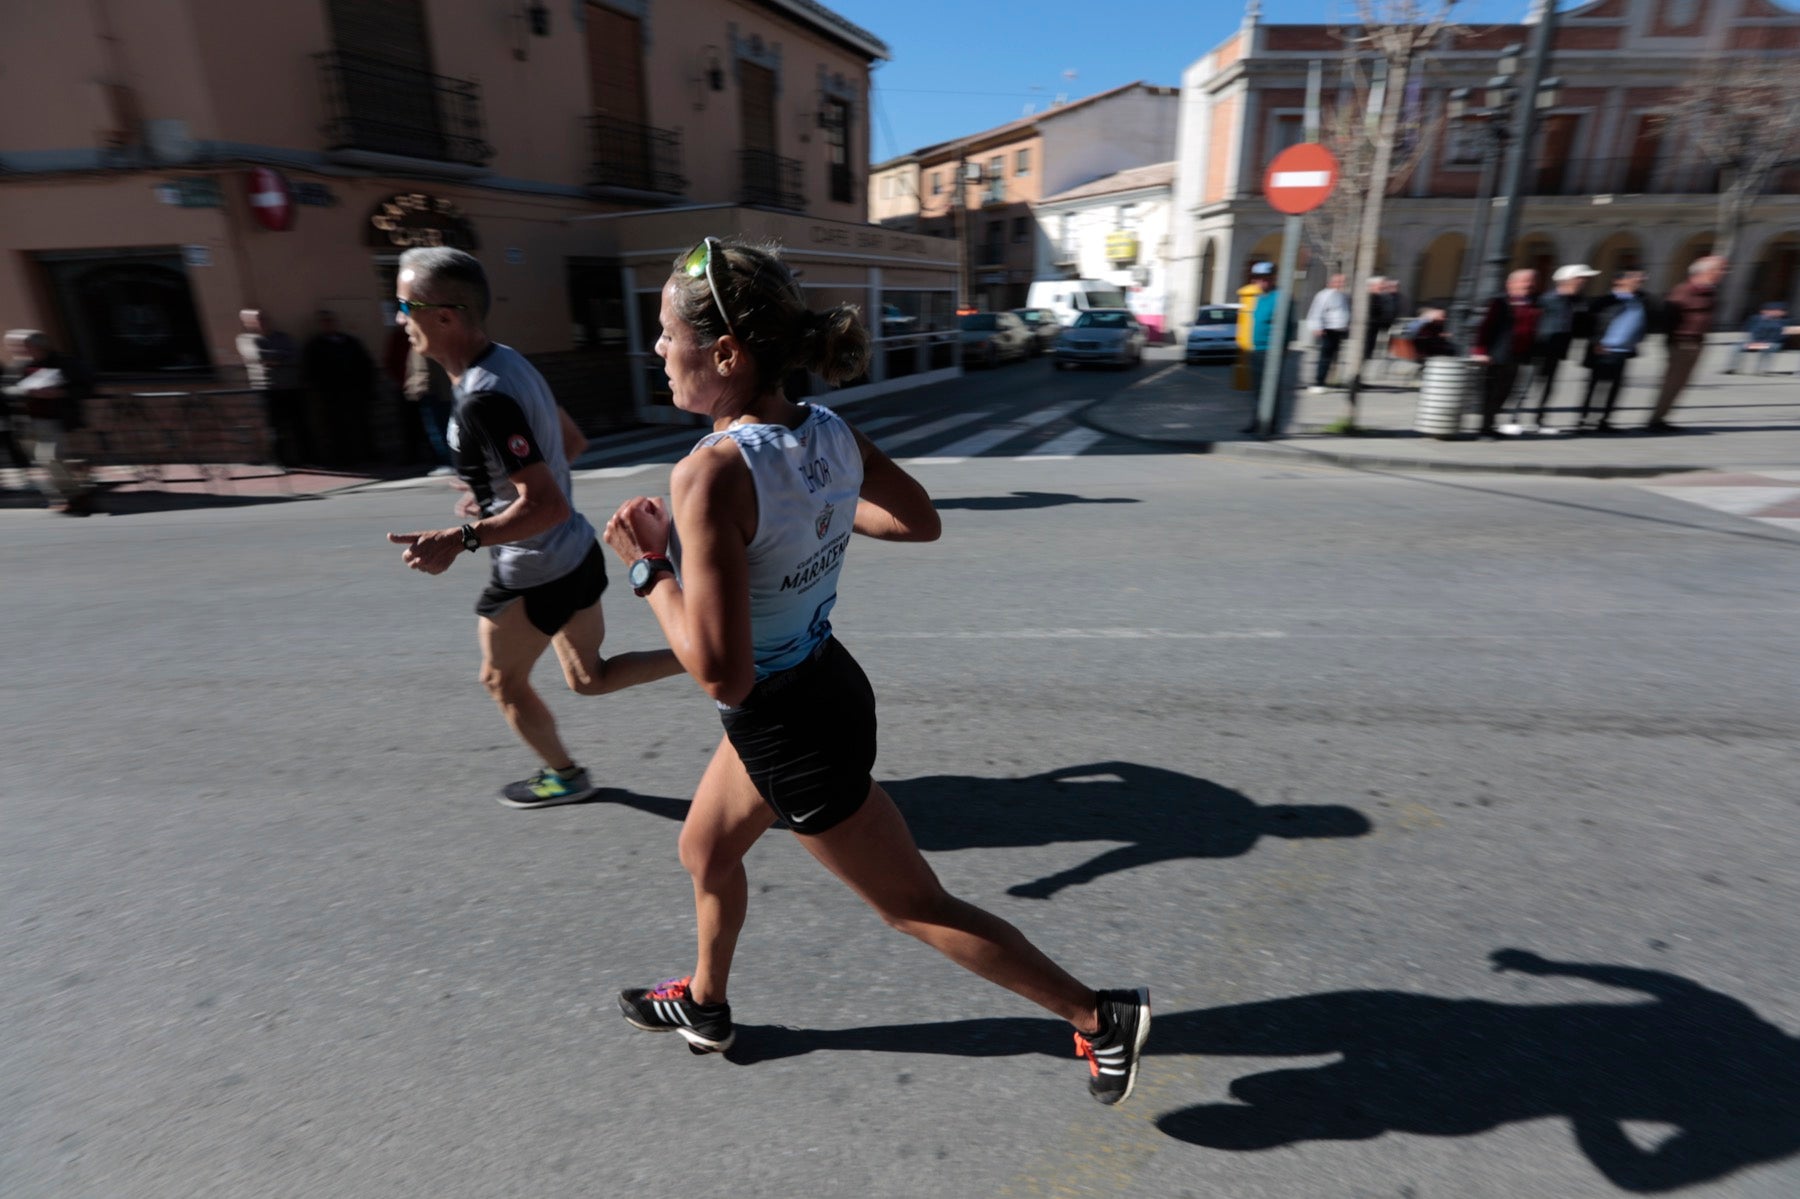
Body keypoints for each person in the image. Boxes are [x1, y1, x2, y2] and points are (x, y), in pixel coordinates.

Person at [601, 235, 1150, 1105]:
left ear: (726, 352)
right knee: (704, 848)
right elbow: (917, 518)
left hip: (787, 724)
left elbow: (722, 675)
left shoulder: (708, 475)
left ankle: (1096, 1015)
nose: (658, 350)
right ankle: (707, 1004)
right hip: (821, 682)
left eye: (669, 335)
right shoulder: (825, 429)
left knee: (914, 904)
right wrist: (809, 510)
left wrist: (647, 568)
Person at [382, 246, 682, 808]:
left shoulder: (482, 398)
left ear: (444, 315)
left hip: (534, 570)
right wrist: (489, 492)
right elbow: (568, 444)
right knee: (588, 677)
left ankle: (565, 776)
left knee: (501, 680)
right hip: (576, 557)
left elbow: (546, 506)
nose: (399, 318)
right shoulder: (509, 362)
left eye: (405, 304)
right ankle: (716, 654)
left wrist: (458, 540)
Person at [3, 329, 97, 514]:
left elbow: (86, 387)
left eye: (23, 346)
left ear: (37, 346)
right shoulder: (20, 366)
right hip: (26, 422)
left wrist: (59, 393)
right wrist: (24, 392)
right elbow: (7, 389)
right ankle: (71, 496)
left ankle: (74, 497)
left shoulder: (64, 363)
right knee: (46, 462)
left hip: (53, 419)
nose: (18, 350)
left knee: (52, 458)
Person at [1648, 255, 1727, 434]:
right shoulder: (1684, 290)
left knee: (1681, 383)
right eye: (1720, 269)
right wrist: (1672, 341)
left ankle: (1662, 418)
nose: (1723, 273)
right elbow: (1669, 316)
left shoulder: (1710, 291)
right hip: (1682, 343)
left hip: (1697, 342)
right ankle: (1655, 421)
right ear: (1706, 271)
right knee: (1672, 383)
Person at [1517, 264, 1599, 434]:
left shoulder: (1577, 301)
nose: (1583, 282)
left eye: (1584, 279)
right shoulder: (1546, 300)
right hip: (1539, 349)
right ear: (1567, 280)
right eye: (1580, 278)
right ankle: (1516, 419)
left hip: (1558, 349)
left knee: (1549, 385)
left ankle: (1539, 420)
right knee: (1527, 385)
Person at [1575, 270, 1654, 434]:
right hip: (1603, 349)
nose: (1639, 280)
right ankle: (1585, 421)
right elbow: (1587, 324)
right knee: (1595, 387)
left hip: (1624, 351)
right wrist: (1596, 342)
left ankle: (1604, 421)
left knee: (1615, 387)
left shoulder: (1641, 300)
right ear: (1618, 281)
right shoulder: (1605, 301)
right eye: (1634, 278)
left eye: (1641, 278)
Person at [1470, 269, 1542, 440]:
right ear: (1511, 284)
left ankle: (1491, 425)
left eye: (1532, 281)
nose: (1529, 285)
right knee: (1492, 393)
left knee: (1505, 392)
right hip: (1498, 354)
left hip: (1519, 355)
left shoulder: (1533, 303)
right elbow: (1485, 327)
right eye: (1525, 281)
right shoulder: (1500, 302)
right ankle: (1484, 429)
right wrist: (1480, 352)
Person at [236, 308, 313, 468]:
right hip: (268, 389)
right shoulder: (246, 340)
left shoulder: (283, 337)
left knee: (300, 424)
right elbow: (259, 357)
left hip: (291, 387)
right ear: (248, 322)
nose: (261, 322)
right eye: (257, 319)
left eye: (263, 318)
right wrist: (281, 356)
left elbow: (295, 355)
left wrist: (277, 359)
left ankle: (308, 458)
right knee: (276, 428)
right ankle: (283, 462)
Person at [301, 309, 377, 468]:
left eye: (330, 321)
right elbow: (310, 371)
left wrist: (366, 386)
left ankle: (368, 454)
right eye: (325, 322)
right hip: (331, 394)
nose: (329, 324)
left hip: (354, 391)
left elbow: (365, 364)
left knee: (361, 424)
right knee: (336, 427)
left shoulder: (350, 342)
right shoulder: (315, 345)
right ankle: (342, 458)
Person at [1242, 262, 1297, 435]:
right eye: (1258, 279)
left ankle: (1271, 425)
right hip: (1257, 349)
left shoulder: (1281, 297)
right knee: (1257, 389)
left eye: (1266, 279)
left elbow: (1289, 325)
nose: (1262, 283)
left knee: (1271, 389)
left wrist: (1283, 347)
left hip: (1272, 350)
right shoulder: (1258, 298)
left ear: (1273, 279)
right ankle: (1257, 421)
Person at [1305, 273, 1350, 392]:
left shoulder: (1341, 295)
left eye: (1343, 282)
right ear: (1332, 282)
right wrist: (1317, 327)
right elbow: (1316, 311)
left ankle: (1326, 381)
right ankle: (1318, 383)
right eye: (1339, 282)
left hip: (1338, 329)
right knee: (1324, 357)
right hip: (1327, 329)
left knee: (1332, 357)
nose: (1342, 284)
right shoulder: (1324, 295)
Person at [1723, 302, 1797, 376]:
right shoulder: (1755, 319)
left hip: (1774, 343)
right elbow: (1750, 331)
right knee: (1737, 347)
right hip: (1756, 342)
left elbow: (1784, 336)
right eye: (1775, 310)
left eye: (1782, 311)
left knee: (1769, 347)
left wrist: (1767, 341)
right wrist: (1753, 341)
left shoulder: (1787, 321)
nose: (1780, 312)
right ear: (1764, 311)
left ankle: (1763, 369)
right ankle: (1731, 368)